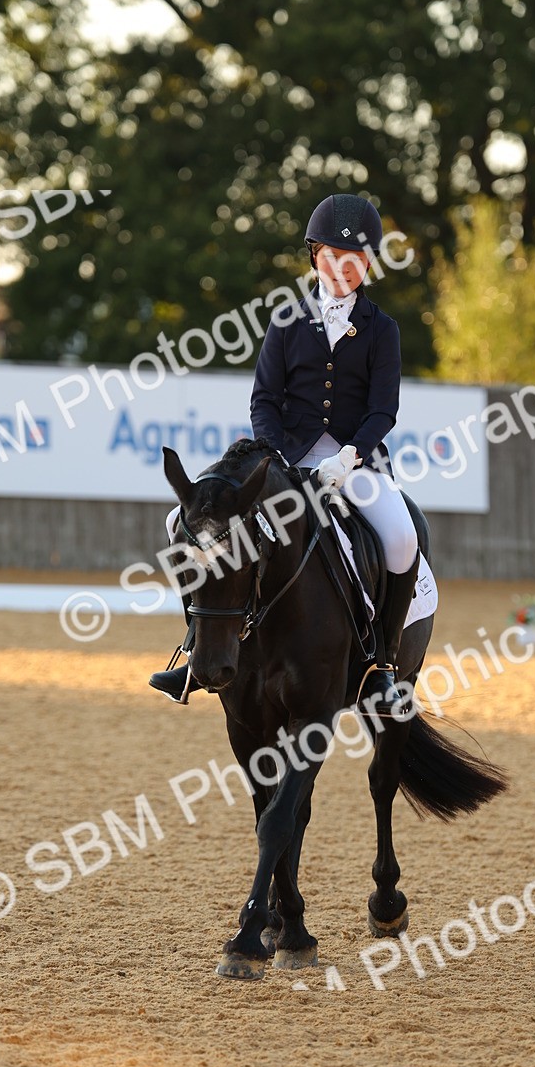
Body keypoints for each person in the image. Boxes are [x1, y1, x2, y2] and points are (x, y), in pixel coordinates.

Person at [149, 193, 419, 711]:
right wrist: (274, 456)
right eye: (331, 256)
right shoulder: (286, 320)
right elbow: (264, 399)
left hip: (353, 462)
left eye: (355, 259)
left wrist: (349, 456)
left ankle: (381, 667)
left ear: (368, 264)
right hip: (282, 458)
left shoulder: (383, 329)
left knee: (403, 538)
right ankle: (193, 648)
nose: (342, 268)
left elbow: (383, 409)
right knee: (175, 523)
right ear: (314, 255)